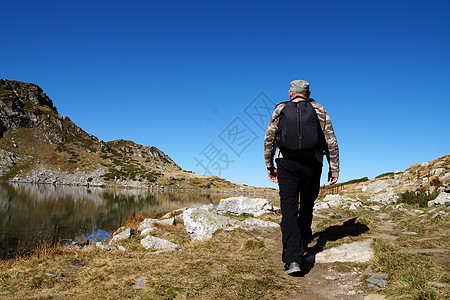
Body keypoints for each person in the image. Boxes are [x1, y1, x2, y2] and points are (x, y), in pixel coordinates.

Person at [264, 80, 339, 275]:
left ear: (290, 93)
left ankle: (292, 260)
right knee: (307, 205)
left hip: (286, 164)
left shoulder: (281, 108)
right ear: (308, 93)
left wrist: (270, 165)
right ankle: (304, 241)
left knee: (288, 210)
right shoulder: (319, 109)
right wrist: (334, 168)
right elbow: (330, 140)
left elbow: (269, 138)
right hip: (313, 164)